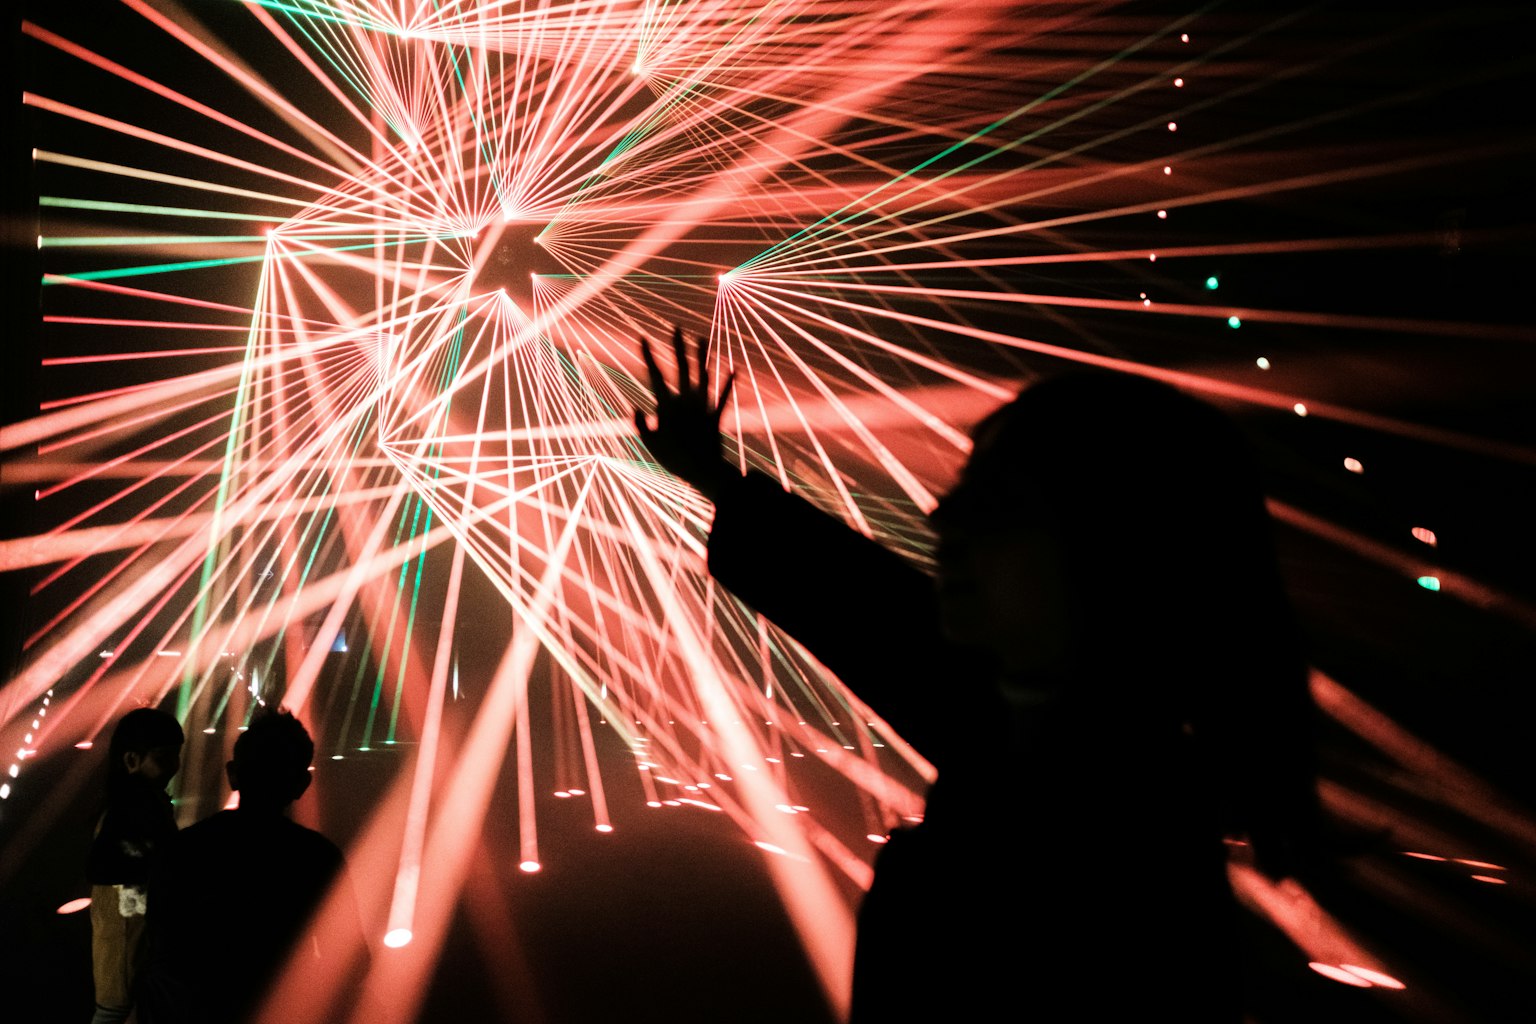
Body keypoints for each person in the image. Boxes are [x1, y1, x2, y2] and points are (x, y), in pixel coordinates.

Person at [635, 329, 1322, 1020]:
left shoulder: (1100, 832)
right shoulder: (1068, 750)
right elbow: (868, 606)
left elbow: (872, 612)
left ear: (1120, 545)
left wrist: (718, 480)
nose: (943, 516)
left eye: (999, 501)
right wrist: (714, 477)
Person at [140, 709, 362, 1024]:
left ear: (233, 774)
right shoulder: (318, 859)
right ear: (301, 783)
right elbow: (352, 962)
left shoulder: (183, 849)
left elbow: (160, 952)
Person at [87, 706, 185, 1024]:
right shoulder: (130, 812)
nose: (175, 766)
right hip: (127, 952)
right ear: (132, 760)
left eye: (175, 755)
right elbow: (101, 867)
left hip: (132, 950)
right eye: (164, 756)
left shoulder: (145, 806)